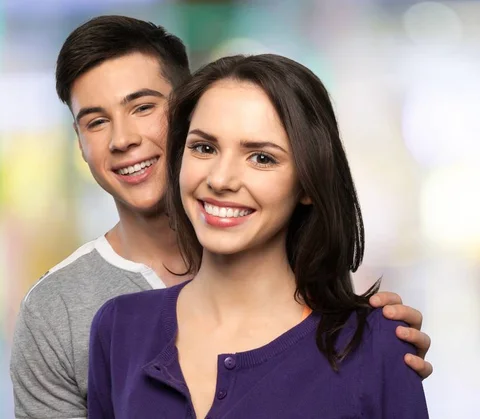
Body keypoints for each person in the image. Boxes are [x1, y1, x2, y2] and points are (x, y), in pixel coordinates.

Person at [10, 15, 432, 419]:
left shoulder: (366, 333)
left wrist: (378, 345)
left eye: (142, 108)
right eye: (97, 121)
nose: (123, 139)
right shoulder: (92, 319)